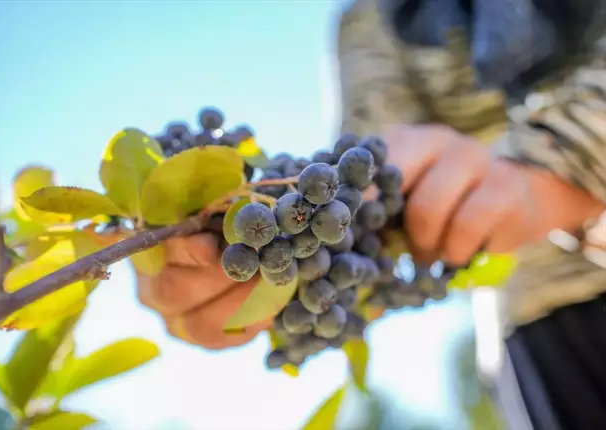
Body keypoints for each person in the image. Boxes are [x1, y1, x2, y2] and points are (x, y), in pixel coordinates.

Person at [138, 0, 606, 428]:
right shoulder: (373, 18)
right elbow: (362, 213)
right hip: (540, 328)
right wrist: (227, 276)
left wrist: (554, 172)